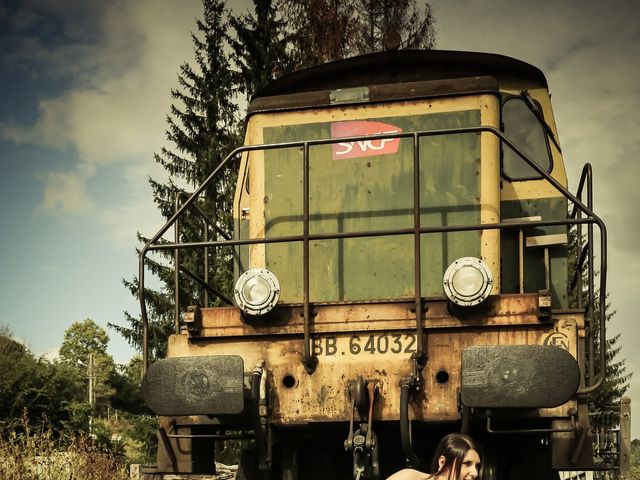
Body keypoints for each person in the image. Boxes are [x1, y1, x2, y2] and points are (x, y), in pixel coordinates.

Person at [386, 433, 482, 480]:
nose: (475, 473)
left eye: (477, 466)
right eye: (467, 463)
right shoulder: (409, 477)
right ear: (442, 462)